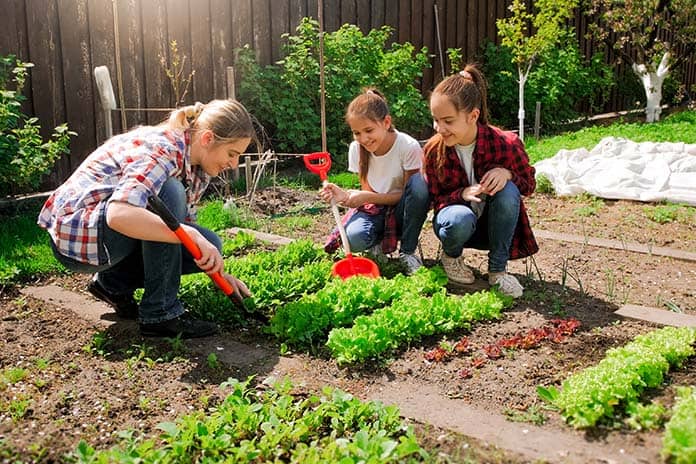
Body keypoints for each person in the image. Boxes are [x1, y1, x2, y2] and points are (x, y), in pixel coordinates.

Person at [37, 99, 255, 338]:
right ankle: (160, 314)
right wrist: (188, 234)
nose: (234, 164)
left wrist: (219, 274)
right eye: (232, 154)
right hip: (80, 236)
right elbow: (119, 214)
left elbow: (182, 225)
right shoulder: (163, 150)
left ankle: (111, 284)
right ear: (207, 139)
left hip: (107, 236)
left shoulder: (197, 166)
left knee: (209, 243)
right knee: (168, 192)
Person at [422, 65, 538, 297]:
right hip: (457, 225)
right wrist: (461, 194)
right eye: (436, 120)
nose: (440, 128)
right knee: (458, 218)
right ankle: (452, 257)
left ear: (473, 116)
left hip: (493, 227)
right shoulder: (434, 150)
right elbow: (435, 199)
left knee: (508, 191)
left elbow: (528, 185)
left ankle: (498, 271)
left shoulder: (506, 143)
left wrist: (508, 174)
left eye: (448, 121)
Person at [321, 89, 430, 274]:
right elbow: (368, 194)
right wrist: (344, 196)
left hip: (405, 210)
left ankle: (407, 252)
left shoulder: (407, 146)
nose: (363, 138)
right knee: (353, 238)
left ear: (386, 122)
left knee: (421, 184)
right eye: (357, 132)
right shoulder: (357, 149)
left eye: (369, 130)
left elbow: (411, 195)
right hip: (377, 209)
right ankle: (376, 245)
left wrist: (367, 197)